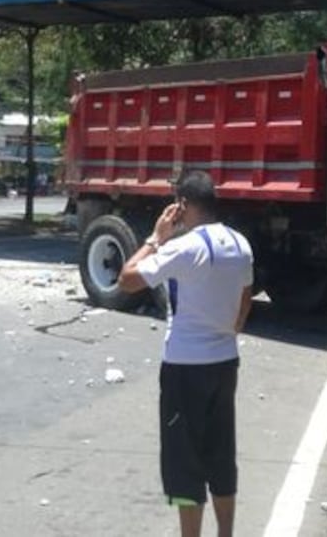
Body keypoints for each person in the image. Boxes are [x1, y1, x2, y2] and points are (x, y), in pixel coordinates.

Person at [117, 170, 254, 537]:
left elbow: (126, 280)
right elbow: (244, 304)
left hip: (184, 367)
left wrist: (154, 238)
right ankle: (226, 532)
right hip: (225, 363)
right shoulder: (241, 243)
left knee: (184, 464)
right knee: (221, 454)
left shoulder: (184, 247)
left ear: (183, 206)